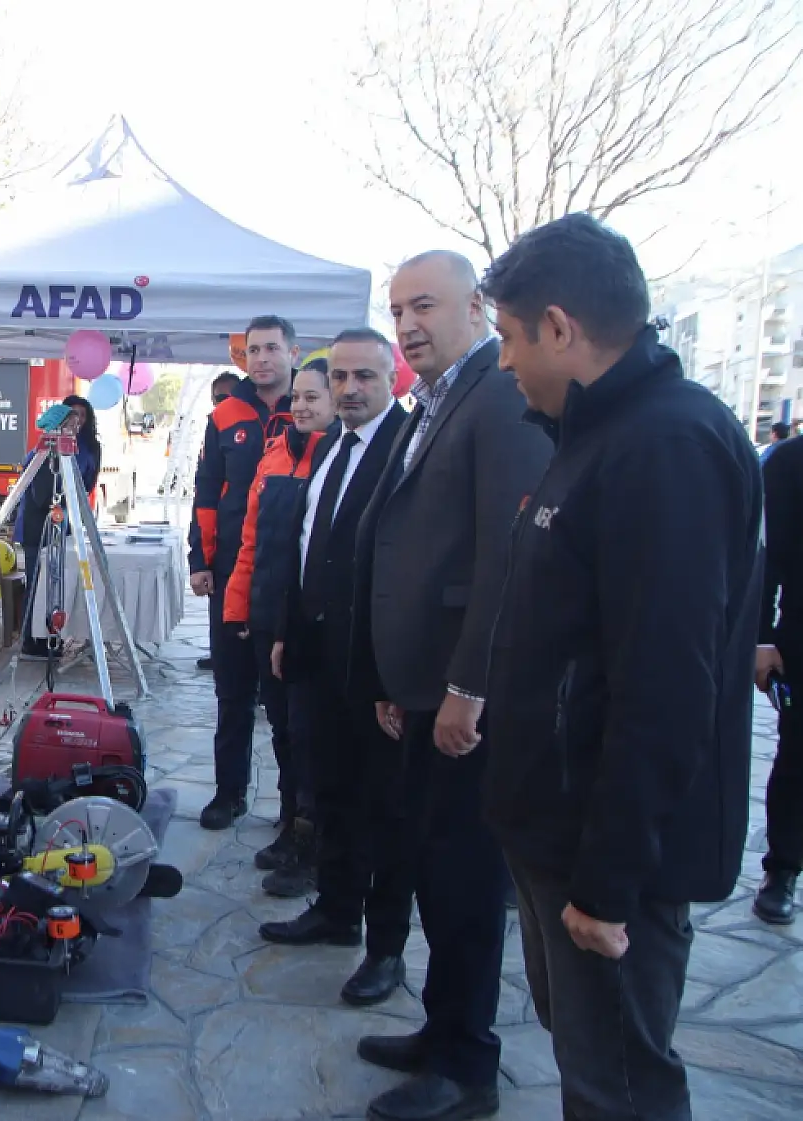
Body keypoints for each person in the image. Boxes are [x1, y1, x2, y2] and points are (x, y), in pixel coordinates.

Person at [483, 215, 761, 1121]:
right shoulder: (593, 433)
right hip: (553, 830)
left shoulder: (666, 444)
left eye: (508, 338)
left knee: (622, 1088)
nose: (503, 364)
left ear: (558, 327)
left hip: (604, 857)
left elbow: (667, 685)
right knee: (587, 1065)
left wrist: (607, 883)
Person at [348, 251, 552, 1121]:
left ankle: (467, 1066)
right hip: (423, 687)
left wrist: (468, 684)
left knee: (467, 887)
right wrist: (401, 679)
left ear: (476, 306)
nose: (407, 326)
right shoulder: (436, 401)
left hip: (466, 698)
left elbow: (507, 555)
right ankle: (441, 1029)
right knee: (436, 870)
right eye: (397, 310)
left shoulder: (496, 395)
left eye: (423, 305)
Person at [260, 329, 413, 1008]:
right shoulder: (327, 447)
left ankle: (385, 948)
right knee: (333, 794)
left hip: (377, 666)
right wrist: (288, 633)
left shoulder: (409, 446)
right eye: (340, 376)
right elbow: (307, 546)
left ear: (392, 378)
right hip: (319, 658)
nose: (350, 388)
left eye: (364, 377)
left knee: (385, 811)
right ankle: (336, 908)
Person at [220, 362, 333, 891]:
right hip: (267, 616)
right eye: (301, 397)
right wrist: (239, 611)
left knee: (311, 736)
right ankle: (291, 825)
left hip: (307, 622)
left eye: (316, 397)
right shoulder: (273, 452)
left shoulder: (335, 457)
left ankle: (313, 842)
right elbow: (251, 541)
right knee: (284, 731)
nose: (304, 406)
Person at [191, 319, 296, 830]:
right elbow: (207, 492)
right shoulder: (225, 414)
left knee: (284, 702)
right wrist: (199, 560)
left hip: (289, 578)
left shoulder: (313, 407)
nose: (262, 359)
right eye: (253, 350)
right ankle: (228, 794)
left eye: (271, 348)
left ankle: (293, 806)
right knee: (232, 694)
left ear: (292, 352)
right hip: (232, 575)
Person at [15, 394, 102, 658]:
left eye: (80, 421)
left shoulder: (82, 448)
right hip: (37, 528)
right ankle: (31, 639)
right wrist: (67, 497)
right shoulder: (46, 450)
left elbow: (83, 484)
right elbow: (42, 494)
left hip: (58, 528)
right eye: (71, 421)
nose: (75, 427)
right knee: (36, 582)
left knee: (52, 583)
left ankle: (48, 634)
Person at [758, 432, 803, 925]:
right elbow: (765, 559)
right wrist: (761, 637)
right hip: (798, 637)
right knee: (796, 757)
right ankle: (782, 869)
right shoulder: (790, 462)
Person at [193, 370, 244, 672]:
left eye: (227, 398)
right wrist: (200, 558)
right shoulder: (215, 429)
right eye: (217, 399)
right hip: (224, 552)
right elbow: (205, 494)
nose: (221, 404)